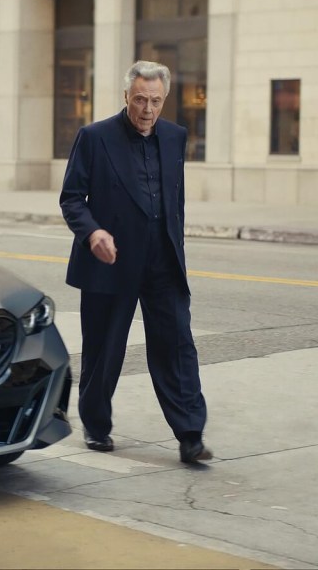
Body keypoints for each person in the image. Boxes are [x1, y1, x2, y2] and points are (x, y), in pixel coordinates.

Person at [59, 60, 212, 464]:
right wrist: (93, 233)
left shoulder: (175, 137)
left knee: (176, 343)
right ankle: (96, 425)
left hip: (162, 258)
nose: (148, 109)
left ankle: (190, 434)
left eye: (156, 101)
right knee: (104, 348)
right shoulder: (94, 137)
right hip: (110, 259)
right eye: (141, 99)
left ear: (165, 99)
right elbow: (71, 197)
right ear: (126, 95)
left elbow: (173, 201)